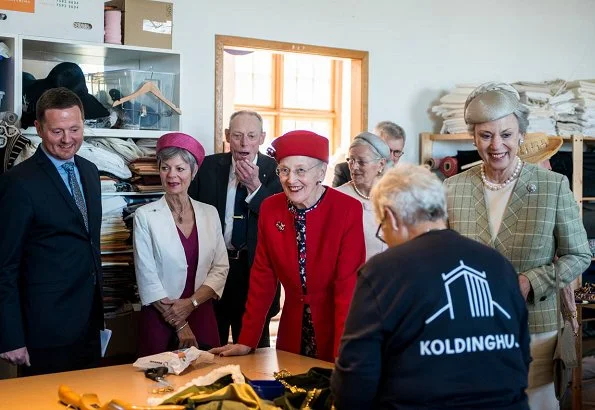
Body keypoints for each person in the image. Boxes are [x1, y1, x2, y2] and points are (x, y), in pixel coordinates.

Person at [331, 164, 530, 409]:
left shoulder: (383, 271)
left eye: (382, 228)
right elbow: (521, 354)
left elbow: (356, 375)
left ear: (392, 217)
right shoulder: (497, 264)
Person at [444, 82, 591, 409]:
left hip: (535, 328)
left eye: (506, 135)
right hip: (471, 327)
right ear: (473, 137)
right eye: (485, 136)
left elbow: (580, 254)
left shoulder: (552, 186)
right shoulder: (453, 188)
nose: (497, 145)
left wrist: (531, 281)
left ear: (521, 134)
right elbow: (441, 256)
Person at [211, 130, 365, 362]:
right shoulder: (270, 208)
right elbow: (263, 277)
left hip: (337, 327)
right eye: (284, 170)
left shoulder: (347, 210)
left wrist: (343, 357)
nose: (290, 180)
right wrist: (247, 339)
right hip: (291, 331)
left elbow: (348, 289)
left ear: (321, 173)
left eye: (300, 170)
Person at [0, 87, 104, 376]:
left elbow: (87, 242)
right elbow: (4, 266)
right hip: (44, 330)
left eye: (75, 129)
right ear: (39, 128)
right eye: (57, 131)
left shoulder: (90, 171)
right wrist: (11, 336)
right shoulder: (19, 183)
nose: (68, 140)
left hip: (89, 322)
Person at [189, 110, 282, 348]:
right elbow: (191, 213)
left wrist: (255, 186)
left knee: (253, 350)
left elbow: (280, 219)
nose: (243, 143)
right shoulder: (209, 166)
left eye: (251, 136)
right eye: (238, 135)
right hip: (214, 269)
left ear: (261, 138)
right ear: (228, 135)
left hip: (254, 270)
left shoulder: (276, 171)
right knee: (210, 345)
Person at [134, 132, 229, 356]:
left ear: (193, 172)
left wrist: (191, 304)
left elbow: (221, 267)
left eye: (180, 168)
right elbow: (146, 276)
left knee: (208, 382)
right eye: (165, 167)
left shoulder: (209, 213)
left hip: (201, 311)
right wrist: (180, 324)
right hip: (160, 316)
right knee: (155, 385)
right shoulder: (145, 215)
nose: (171, 175)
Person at [518, 134, 579, 335]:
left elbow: (574, 254)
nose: (551, 166)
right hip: (540, 308)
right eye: (546, 160)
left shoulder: (553, 193)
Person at [335, 132, 391, 260]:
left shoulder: (395, 196)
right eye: (351, 160)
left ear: (381, 164)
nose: (354, 167)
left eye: (361, 162)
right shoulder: (337, 198)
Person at [332, 120, 405, 187]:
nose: (390, 157)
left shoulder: (404, 179)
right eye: (386, 150)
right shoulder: (345, 170)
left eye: (397, 152)